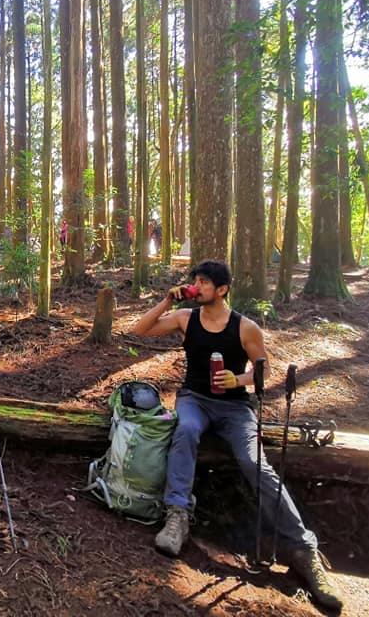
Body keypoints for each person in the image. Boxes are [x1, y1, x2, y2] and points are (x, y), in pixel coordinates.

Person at [131, 259, 342, 611]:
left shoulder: (246, 328)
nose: (197, 286)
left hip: (234, 409)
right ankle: (177, 517)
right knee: (184, 431)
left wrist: (238, 380)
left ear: (223, 289)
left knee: (254, 462)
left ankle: (304, 549)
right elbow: (140, 330)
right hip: (194, 400)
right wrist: (168, 301)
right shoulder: (186, 318)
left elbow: (264, 371)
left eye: (204, 282)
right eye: (195, 280)